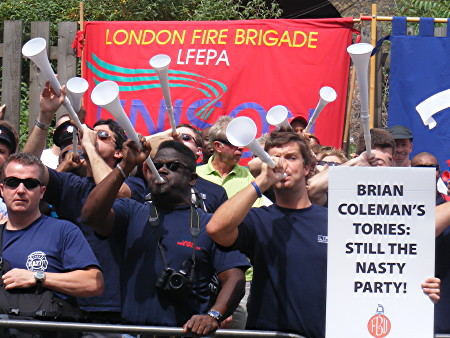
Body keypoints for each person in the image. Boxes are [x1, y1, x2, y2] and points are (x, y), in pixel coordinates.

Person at [206, 131, 440, 337]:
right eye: (274, 158)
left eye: (291, 158)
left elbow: (380, 270)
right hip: (272, 332)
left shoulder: (338, 221)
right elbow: (216, 228)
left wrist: (417, 287)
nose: (281, 164)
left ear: (307, 167)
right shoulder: (260, 219)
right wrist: (261, 182)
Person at [81, 139, 249, 335]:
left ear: (192, 179)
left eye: (173, 166)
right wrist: (125, 166)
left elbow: (235, 278)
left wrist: (213, 316)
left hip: (185, 333)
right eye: (156, 165)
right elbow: (90, 216)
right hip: (132, 332)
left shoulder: (210, 224)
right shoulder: (131, 211)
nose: (162, 170)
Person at [23, 81, 146, 330]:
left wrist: (89, 145)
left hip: (113, 306)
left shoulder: (137, 185)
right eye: (91, 133)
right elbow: (26, 169)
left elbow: (118, 193)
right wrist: (44, 116)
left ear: (120, 153)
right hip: (66, 302)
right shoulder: (70, 184)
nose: (91, 135)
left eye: (103, 135)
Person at [0, 153, 103, 334]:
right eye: (13, 182)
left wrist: (38, 277)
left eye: (30, 184)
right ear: (2, 189)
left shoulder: (63, 231)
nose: (21, 189)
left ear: (42, 192)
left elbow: (94, 283)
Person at [196, 116, 267, 207]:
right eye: (235, 142)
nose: (241, 147)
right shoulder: (194, 174)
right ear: (218, 146)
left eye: (242, 142)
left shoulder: (251, 178)